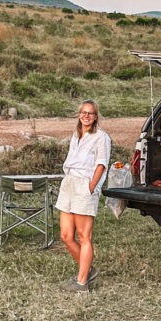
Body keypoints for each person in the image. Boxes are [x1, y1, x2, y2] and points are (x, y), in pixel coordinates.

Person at [55, 100, 111, 293]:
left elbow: (101, 164)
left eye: (91, 113)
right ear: (79, 114)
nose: (86, 116)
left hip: (84, 184)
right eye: (83, 112)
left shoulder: (101, 137)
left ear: (96, 117)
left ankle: (81, 283)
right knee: (65, 235)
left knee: (83, 235)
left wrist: (91, 187)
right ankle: (87, 271)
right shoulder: (76, 135)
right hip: (69, 183)